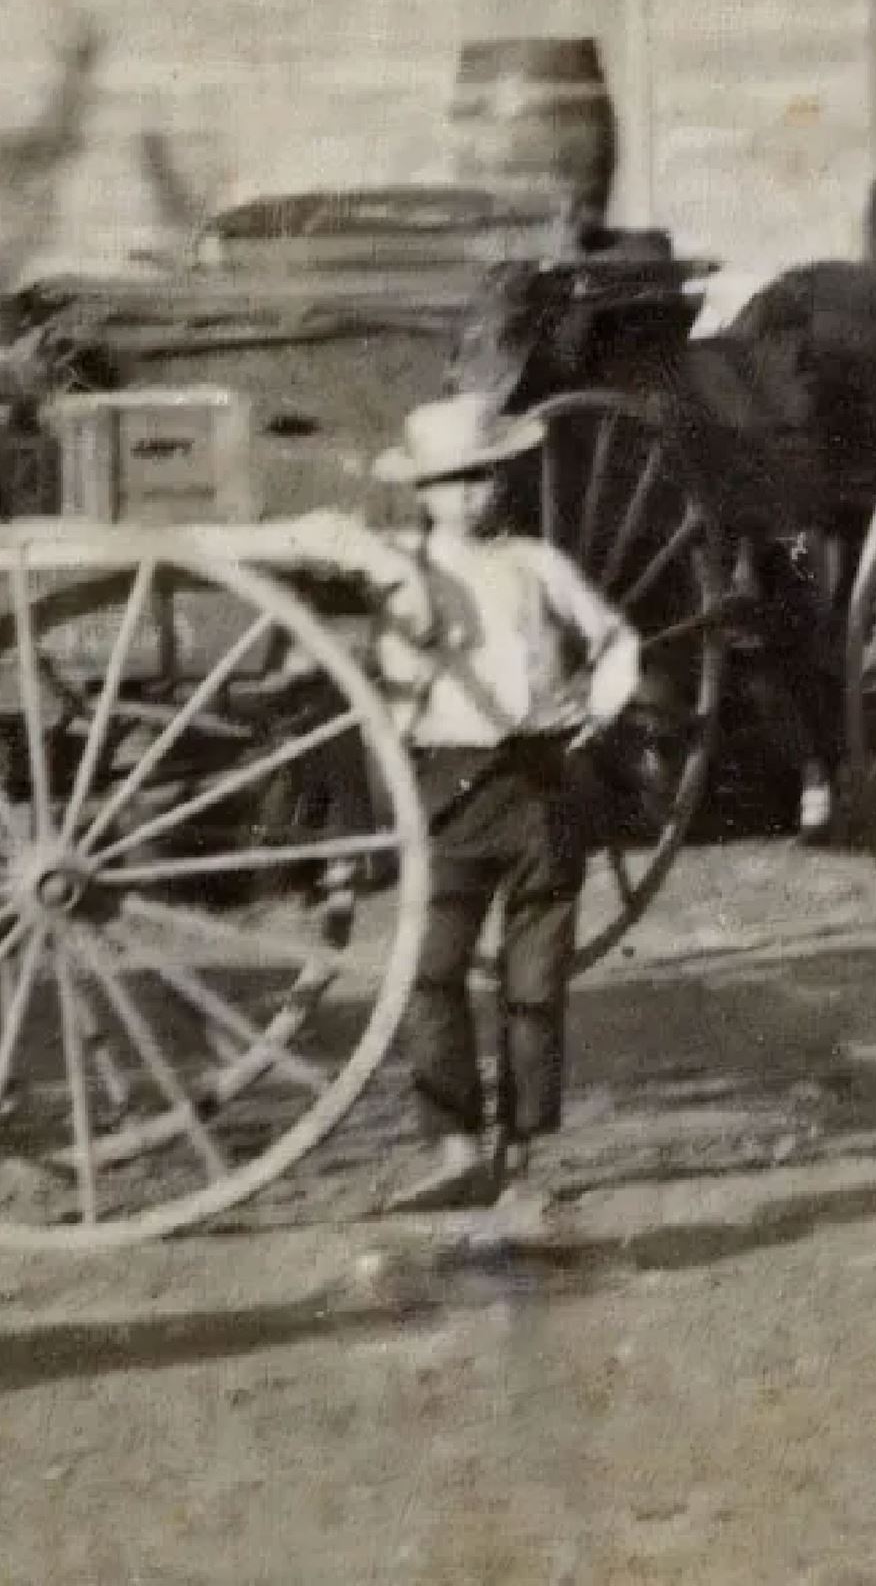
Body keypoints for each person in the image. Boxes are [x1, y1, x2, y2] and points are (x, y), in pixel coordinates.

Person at [282, 393, 643, 1213]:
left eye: (485, 477)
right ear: (424, 491)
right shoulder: (402, 565)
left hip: (541, 786)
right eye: (454, 482)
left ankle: (518, 1155)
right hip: (446, 788)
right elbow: (327, 557)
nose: (475, 494)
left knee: (534, 984)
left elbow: (616, 638)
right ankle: (454, 1146)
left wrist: (597, 710)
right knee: (432, 971)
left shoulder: (538, 565)